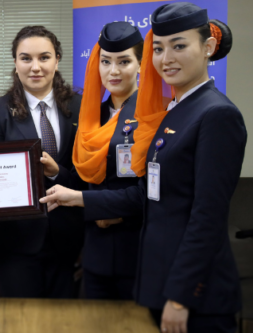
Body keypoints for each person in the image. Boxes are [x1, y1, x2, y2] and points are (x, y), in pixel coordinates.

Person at [41, 2, 246, 333]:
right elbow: (158, 196)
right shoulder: (179, 110)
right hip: (155, 276)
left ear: (207, 47)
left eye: (179, 46)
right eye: (160, 48)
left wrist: (180, 298)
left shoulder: (216, 114)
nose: (167, 59)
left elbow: (206, 217)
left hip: (192, 293)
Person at [0, 25, 85, 298]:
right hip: (15, 240)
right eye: (26, 58)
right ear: (15, 63)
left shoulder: (82, 107)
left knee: (65, 323)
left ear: (57, 60)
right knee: (19, 321)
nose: (35, 67)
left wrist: (57, 172)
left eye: (44, 57)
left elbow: (88, 173)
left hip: (69, 238)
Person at [71, 21, 144, 300]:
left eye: (124, 61)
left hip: (137, 250)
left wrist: (114, 210)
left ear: (140, 64)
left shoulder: (156, 114)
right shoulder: (89, 116)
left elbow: (159, 188)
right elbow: (81, 181)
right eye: (105, 61)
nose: (113, 71)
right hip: (95, 252)